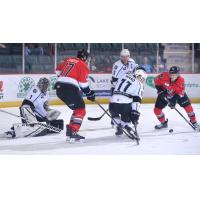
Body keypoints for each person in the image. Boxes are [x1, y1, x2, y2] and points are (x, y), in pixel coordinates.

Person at [55, 49, 95, 142]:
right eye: (87, 58)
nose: (87, 60)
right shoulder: (83, 65)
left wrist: (65, 79)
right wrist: (90, 94)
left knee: (77, 109)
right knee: (81, 108)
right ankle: (73, 132)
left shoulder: (68, 60)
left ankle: (70, 132)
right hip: (69, 88)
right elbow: (83, 84)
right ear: (84, 57)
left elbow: (57, 71)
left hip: (59, 87)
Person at [154, 66, 199, 130]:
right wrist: (159, 90)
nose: (172, 76)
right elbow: (156, 80)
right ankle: (163, 123)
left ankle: (194, 122)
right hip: (164, 93)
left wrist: (173, 101)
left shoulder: (181, 80)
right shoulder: (163, 75)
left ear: (178, 74)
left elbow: (181, 93)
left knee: (189, 109)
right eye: (171, 74)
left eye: (174, 75)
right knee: (157, 111)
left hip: (178, 94)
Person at [109, 67, 147, 135]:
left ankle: (117, 125)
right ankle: (127, 126)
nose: (142, 80)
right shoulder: (139, 85)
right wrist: (135, 112)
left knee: (114, 116)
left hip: (112, 104)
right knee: (127, 119)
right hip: (124, 106)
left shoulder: (123, 76)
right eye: (141, 78)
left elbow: (113, 86)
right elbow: (136, 100)